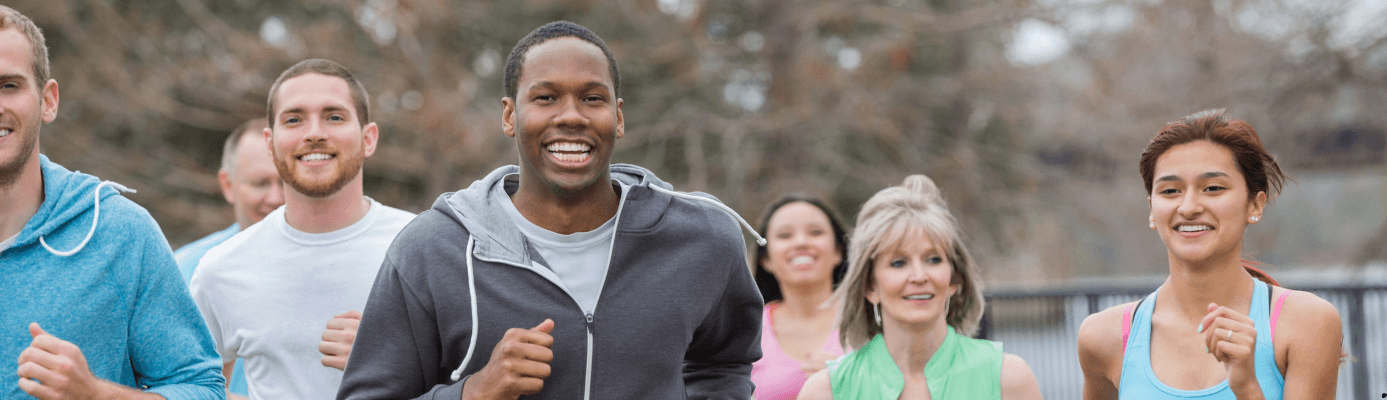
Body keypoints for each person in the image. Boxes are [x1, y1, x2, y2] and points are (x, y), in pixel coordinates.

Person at [338, 21, 764, 399]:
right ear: (510, 115)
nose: (571, 116)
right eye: (545, 98)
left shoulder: (703, 238)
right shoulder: (432, 250)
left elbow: (724, 364)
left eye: (592, 98)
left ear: (618, 117)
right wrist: (472, 393)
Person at [0, 3, 224, 398]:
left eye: (8, 85)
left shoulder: (121, 233)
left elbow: (204, 389)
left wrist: (97, 395)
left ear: (48, 100)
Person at [189, 59, 416, 400]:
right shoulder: (220, 269)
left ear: (368, 139)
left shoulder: (423, 248)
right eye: (294, 119)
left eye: (334, 117)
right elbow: (191, 388)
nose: (314, 133)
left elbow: (476, 380)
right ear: (270, 142)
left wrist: (396, 362)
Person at [1077, 109, 1343, 399]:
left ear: (1255, 205)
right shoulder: (1102, 337)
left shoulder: (1307, 323)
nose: (1189, 207)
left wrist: (1247, 389)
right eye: (1170, 191)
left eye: (1213, 188)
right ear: (1152, 209)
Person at [796, 175, 1041, 400]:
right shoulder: (826, 391)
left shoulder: (1007, 378)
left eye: (933, 259)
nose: (919, 276)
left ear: (955, 279)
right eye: (898, 262)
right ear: (870, 286)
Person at [172, 117, 283, 398]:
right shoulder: (183, 270)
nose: (276, 197)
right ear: (228, 184)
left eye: (286, 182)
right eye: (260, 183)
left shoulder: (334, 264)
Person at [750, 194, 849, 399]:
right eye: (785, 235)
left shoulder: (873, 321)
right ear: (766, 258)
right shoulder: (744, 331)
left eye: (815, 232)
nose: (801, 242)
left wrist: (852, 381)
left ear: (838, 251)